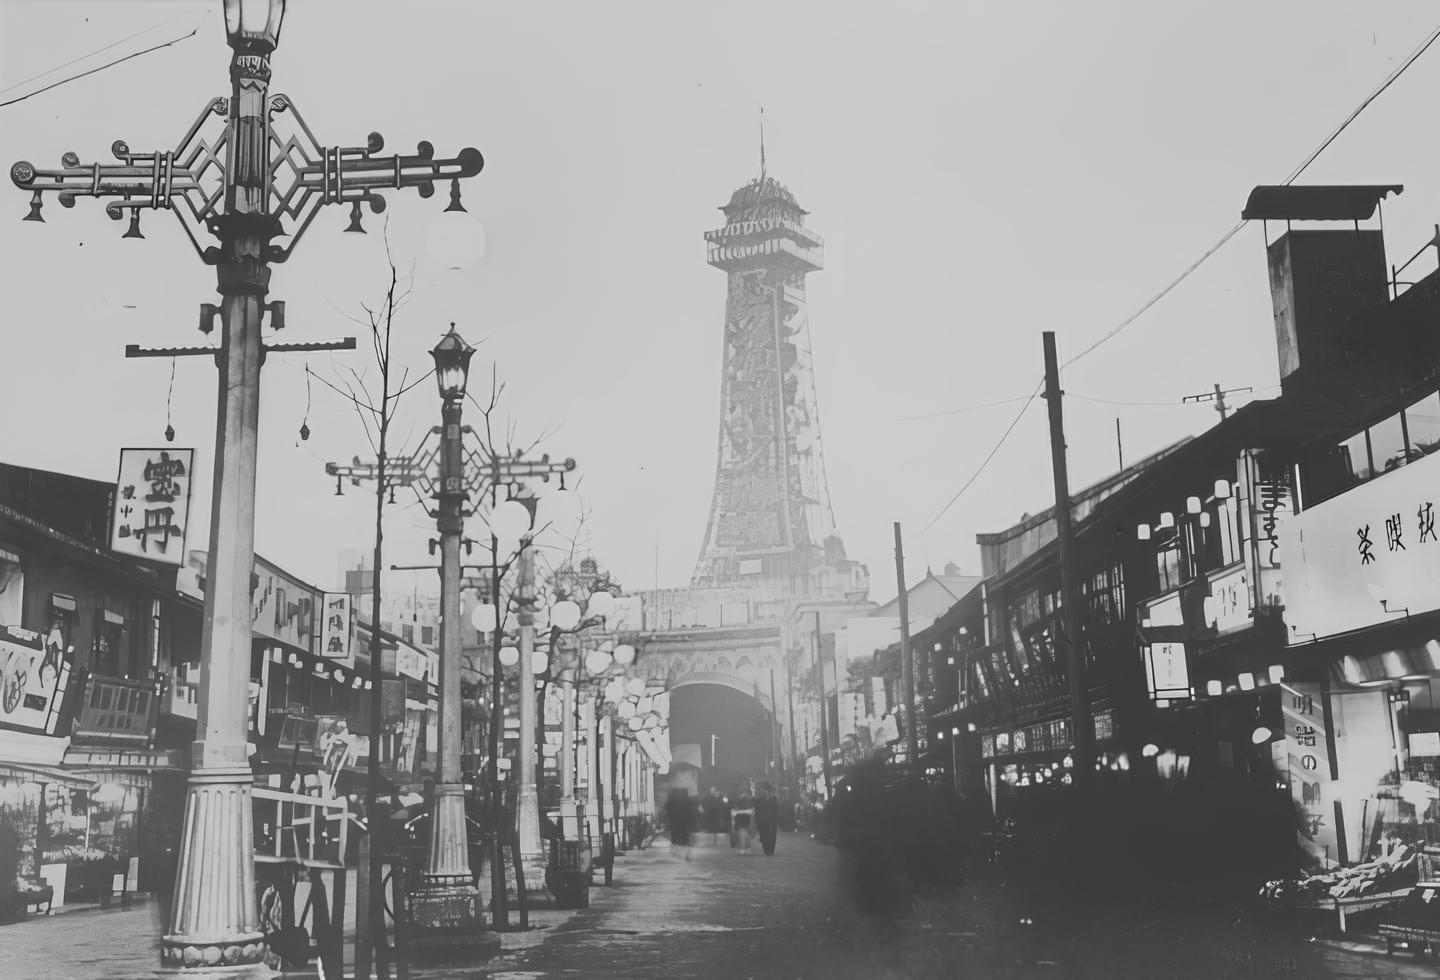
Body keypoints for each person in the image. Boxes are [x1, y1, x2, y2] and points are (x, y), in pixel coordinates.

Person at [664, 787, 696, 861]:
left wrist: (668, 819)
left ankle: (676, 853)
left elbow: (667, 809)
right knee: (685, 839)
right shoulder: (688, 801)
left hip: (675, 822)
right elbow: (691, 812)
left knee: (675, 838)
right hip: (685, 823)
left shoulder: (673, 801)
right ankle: (686, 854)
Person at [756, 781, 780, 856]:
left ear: (768, 790)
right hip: (762, 822)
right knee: (764, 836)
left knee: (772, 836)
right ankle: (766, 850)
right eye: (763, 790)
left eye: (765, 789)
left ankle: (771, 850)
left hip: (771, 821)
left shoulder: (774, 799)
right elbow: (757, 811)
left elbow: (776, 810)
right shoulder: (759, 800)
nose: (764, 791)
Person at [733, 785, 755, 854]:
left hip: (741, 819)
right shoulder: (749, 799)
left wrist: (738, 812)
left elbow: (735, 810)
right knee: (746, 834)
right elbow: (752, 809)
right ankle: (747, 848)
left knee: (742, 833)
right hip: (747, 818)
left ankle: (742, 848)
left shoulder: (740, 799)